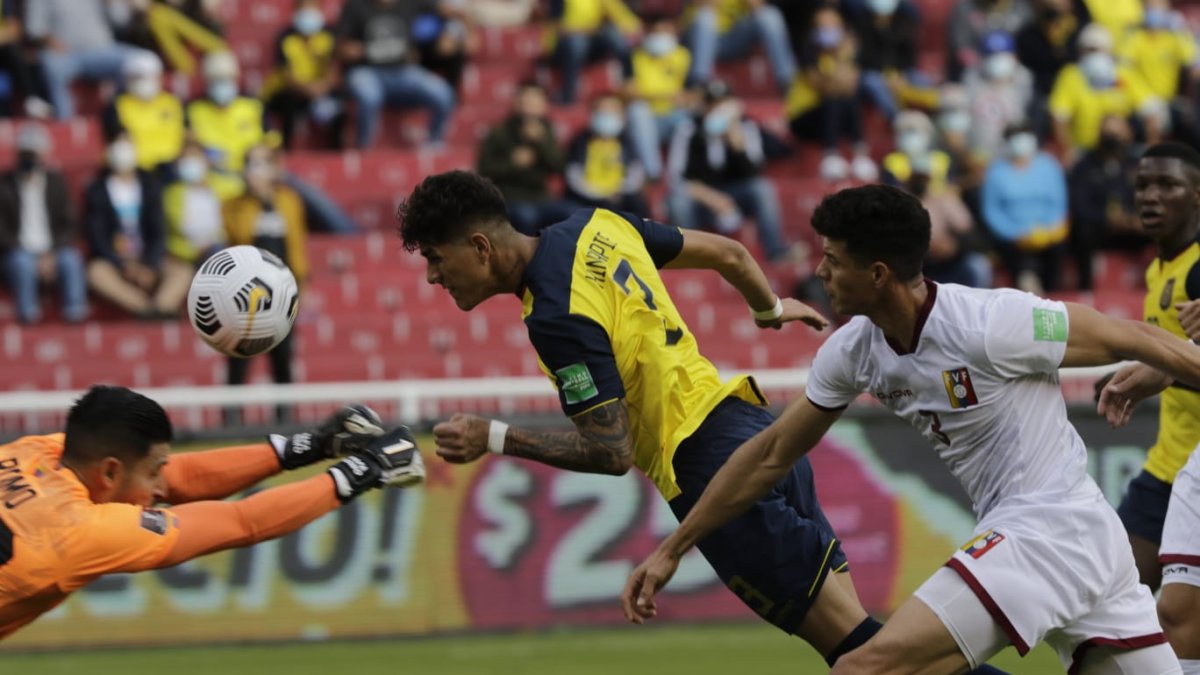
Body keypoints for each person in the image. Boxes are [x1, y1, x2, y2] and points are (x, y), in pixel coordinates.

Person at [395, 170, 1011, 674]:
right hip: (751, 427)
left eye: (436, 258)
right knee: (868, 649)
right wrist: (767, 309)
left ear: (479, 246)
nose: (432, 276)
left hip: (709, 472)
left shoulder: (555, 317)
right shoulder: (596, 226)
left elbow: (612, 452)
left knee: (868, 660)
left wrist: (494, 436)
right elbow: (730, 251)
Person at [624, 182, 1195, 675]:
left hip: (1048, 529)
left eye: (832, 260)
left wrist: (1163, 369)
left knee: (867, 667)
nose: (819, 272)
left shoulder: (990, 324)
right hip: (1077, 540)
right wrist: (674, 548)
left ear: (877, 274)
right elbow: (770, 453)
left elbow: (1133, 336)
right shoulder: (854, 351)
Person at [0, 385, 424, 640]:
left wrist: (309, 446)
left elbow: (180, 476)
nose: (159, 489)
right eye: (151, 473)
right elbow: (242, 522)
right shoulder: (79, 533)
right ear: (110, 471)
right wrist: (365, 470)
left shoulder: (32, 453)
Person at [222, 144, 309, 424]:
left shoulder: (289, 201)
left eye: (262, 165)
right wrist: (258, 201)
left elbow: (296, 245)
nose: (256, 172)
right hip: (245, 292)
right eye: (252, 165)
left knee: (283, 358)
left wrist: (300, 284)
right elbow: (238, 238)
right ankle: (232, 422)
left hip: (282, 290)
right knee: (239, 359)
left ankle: (284, 420)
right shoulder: (234, 206)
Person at [84, 135, 192, 320]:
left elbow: (158, 231)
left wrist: (149, 264)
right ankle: (144, 309)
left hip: (149, 258)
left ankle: (162, 307)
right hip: (115, 261)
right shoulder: (97, 190)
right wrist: (124, 265)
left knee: (183, 272)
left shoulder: (150, 186)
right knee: (96, 273)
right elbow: (97, 236)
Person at [335, 0, 458, 148]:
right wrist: (363, 50)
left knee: (443, 93)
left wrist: (451, 31)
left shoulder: (410, 3)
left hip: (403, 71)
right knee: (369, 95)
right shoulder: (356, 5)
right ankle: (364, 149)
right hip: (368, 71)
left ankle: (434, 146)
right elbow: (342, 48)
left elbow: (450, 12)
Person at [0, 124, 88, 324]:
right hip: (18, 250)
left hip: (53, 249)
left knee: (71, 260)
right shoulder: (4, 185)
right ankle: (28, 315)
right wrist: (29, 253)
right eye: (26, 154)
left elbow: (69, 224)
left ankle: (75, 314)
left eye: (34, 154)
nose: (30, 160)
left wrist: (51, 253)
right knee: (22, 263)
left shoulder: (56, 183)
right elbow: (2, 231)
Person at [981, 122, 1068, 293]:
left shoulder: (1049, 166)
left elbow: (1058, 203)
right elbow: (991, 211)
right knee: (1021, 260)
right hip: (1013, 237)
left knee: (1057, 251)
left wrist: (1048, 229)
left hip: (1048, 233)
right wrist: (1014, 233)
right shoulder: (996, 171)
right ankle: (1029, 288)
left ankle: (1053, 292)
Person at [476, 80, 572, 235]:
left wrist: (542, 143)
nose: (530, 106)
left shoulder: (547, 132)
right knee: (527, 218)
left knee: (571, 215)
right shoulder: (499, 132)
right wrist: (513, 163)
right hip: (510, 197)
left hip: (542, 198)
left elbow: (560, 167)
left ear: (544, 105)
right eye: (526, 100)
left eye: (535, 101)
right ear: (516, 102)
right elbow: (484, 170)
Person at [1066, 114, 1143, 291]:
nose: (1112, 139)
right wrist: (1108, 218)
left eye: (1117, 134)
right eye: (1107, 133)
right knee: (1082, 231)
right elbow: (1080, 207)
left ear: (1129, 135)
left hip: (1134, 229)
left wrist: (1136, 220)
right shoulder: (1085, 166)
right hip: (1100, 229)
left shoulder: (1139, 164)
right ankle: (1085, 290)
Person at [563, 92, 649, 216]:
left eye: (612, 110)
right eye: (602, 110)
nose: (607, 114)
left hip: (620, 196)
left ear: (622, 116)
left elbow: (636, 173)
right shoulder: (580, 141)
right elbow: (574, 176)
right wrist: (600, 194)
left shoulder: (627, 141)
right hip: (587, 198)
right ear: (592, 114)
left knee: (638, 206)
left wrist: (619, 191)